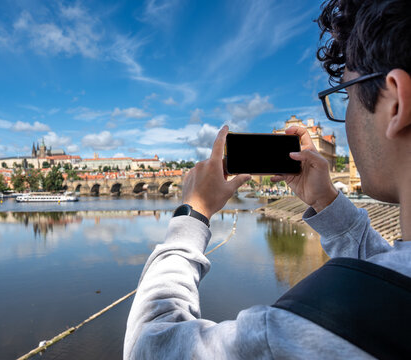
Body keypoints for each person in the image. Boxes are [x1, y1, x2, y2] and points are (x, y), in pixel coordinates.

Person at [124, 0, 411, 358]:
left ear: (396, 103)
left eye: (346, 96)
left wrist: (192, 215)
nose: (346, 118)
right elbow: (384, 276)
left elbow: (150, 345)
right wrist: (327, 203)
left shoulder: (301, 334)